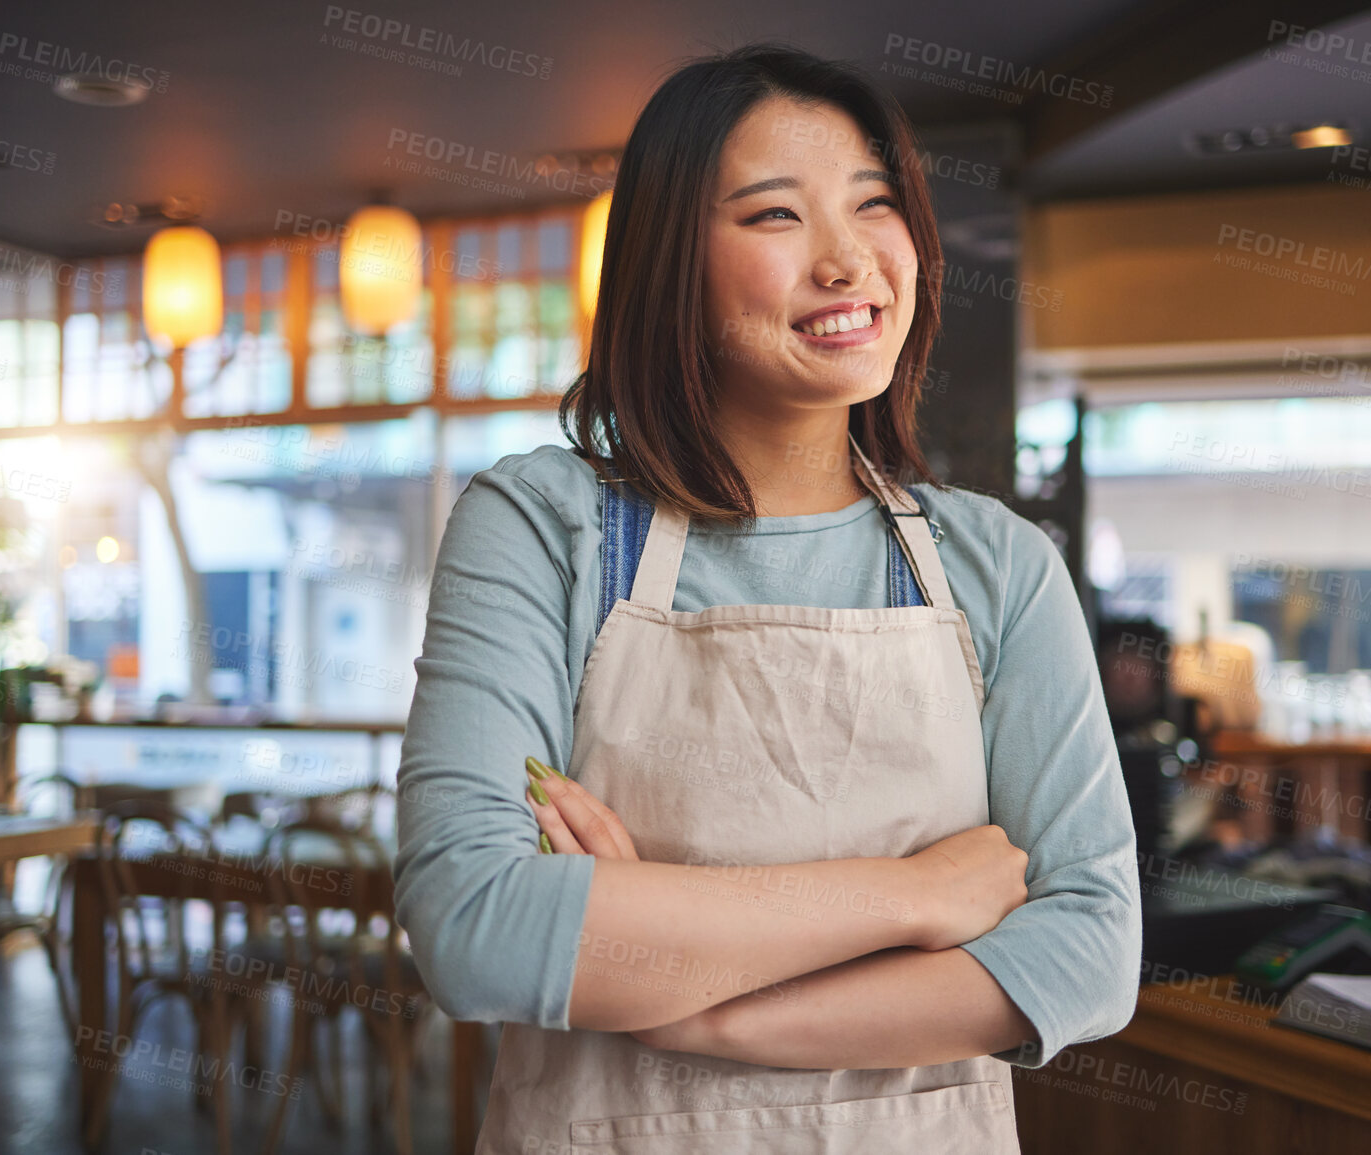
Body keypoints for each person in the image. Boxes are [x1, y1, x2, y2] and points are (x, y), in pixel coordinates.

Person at [394, 43, 1140, 1153]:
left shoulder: (1000, 564)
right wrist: (919, 898)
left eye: (874, 203)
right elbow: (473, 925)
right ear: (667, 262)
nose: (848, 261)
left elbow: (1089, 954)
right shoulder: (542, 525)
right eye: (775, 217)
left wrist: (697, 1005)